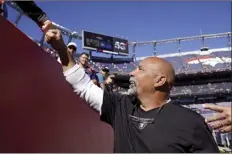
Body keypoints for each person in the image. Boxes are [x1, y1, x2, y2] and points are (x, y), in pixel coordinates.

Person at [45, 29, 220, 153]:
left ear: (159, 80)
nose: (131, 72)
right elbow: (82, 85)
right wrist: (61, 49)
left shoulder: (191, 122)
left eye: (140, 69)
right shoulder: (120, 106)